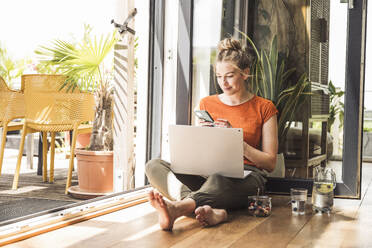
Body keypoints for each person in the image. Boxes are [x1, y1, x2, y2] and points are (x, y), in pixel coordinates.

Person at [145, 37, 278, 231]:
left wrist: (237, 143)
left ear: (245, 74)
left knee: (218, 180)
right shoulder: (207, 104)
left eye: (230, 76)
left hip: (248, 177)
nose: (223, 82)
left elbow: (270, 163)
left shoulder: (264, 108)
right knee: (153, 165)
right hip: (206, 174)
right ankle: (216, 211)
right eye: (218, 76)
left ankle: (178, 209)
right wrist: (200, 139)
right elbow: (196, 151)